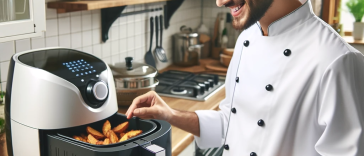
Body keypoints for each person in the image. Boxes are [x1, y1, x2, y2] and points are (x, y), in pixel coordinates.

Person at [126, 0, 364, 155]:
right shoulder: (246, 39)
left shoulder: (337, 60)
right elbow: (232, 123)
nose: (221, 2)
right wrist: (170, 115)